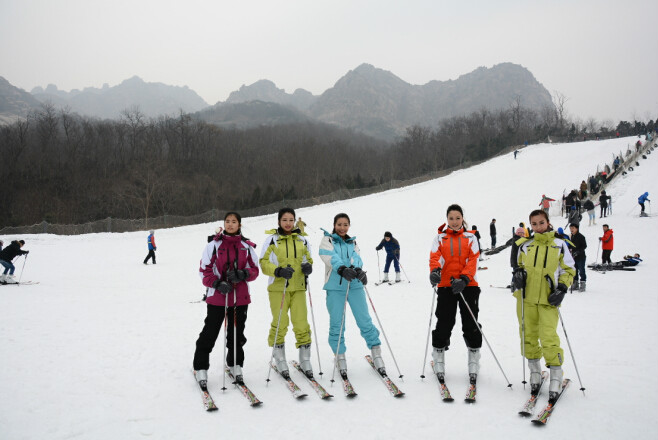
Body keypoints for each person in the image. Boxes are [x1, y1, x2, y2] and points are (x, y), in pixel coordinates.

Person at [511, 209, 575, 402]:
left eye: (541, 222)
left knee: (548, 336)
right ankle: (535, 372)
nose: (538, 227)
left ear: (548, 222)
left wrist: (562, 287)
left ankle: (556, 374)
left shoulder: (560, 245)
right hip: (526, 299)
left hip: (548, 299)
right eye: (534, 224)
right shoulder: (526, 245)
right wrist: (518, 276)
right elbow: (518, 266)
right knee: (527, 334)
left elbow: (569, 269)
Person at [193, 212, 259, 384]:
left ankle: (235, 363)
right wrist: (216, 283)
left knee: (237, 334)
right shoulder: (214, 245)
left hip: (240, 297)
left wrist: (243, 273)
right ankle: (200, 366)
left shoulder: (246, 245)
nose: (230, 224)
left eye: (234, 222)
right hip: (218, 297)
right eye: (227, 221)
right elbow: (204, 270)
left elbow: (255, 269)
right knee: (210, 332)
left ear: (239, 224)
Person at [319, 213, 385, 376]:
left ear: (349, 226)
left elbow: (356, 257)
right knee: (337, 323)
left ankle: (376, 351)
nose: (342, 228)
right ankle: (339, 356)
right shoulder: (327, 240)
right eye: (339, 224)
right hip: (335, 287)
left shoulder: (352, 242)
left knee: (364, 320)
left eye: (345, 224)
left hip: (354, 285)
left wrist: (358, 270)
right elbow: (329, 257)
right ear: (334, 225)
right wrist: (342, 269)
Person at [428, 204, 482, 385]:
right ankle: (439, 356)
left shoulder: (471, 237)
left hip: (468, 285)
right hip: (446, 285)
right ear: (447, 219)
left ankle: (474, 358)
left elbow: (474, 259)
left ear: (462, 218)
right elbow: (435, 257)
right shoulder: (440, 238)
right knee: (444, 321)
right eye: (451, 218)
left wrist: (465, 279)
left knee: (471, 322)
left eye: (457, 218)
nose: (454, 222)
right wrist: (435, 271)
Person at [259, 207, 314, 377]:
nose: (288, 223)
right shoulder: (272, 240)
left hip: (298, 287)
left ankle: (305, 358)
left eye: (291, 220)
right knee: (281, 321)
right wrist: (277, 271)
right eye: (284, 220)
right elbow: (263, 262)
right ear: (278, 221)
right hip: (278, 288)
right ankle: (279, 356)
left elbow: (308, 259)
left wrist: (307, 267)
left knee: (301, 322)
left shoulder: (302, 240)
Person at [569, 224, 587, 291]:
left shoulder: (581, 237)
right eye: (570, 228)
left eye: (573, 228)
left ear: (577, 228)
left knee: (581, 270)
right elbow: (571, 246)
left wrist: (578, 252)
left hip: (581, 257)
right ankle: (575, 284)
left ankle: (583, 283)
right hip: (574, 257)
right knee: (574, 271)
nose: (571, 230)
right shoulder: (572, 236)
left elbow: (584, 246)